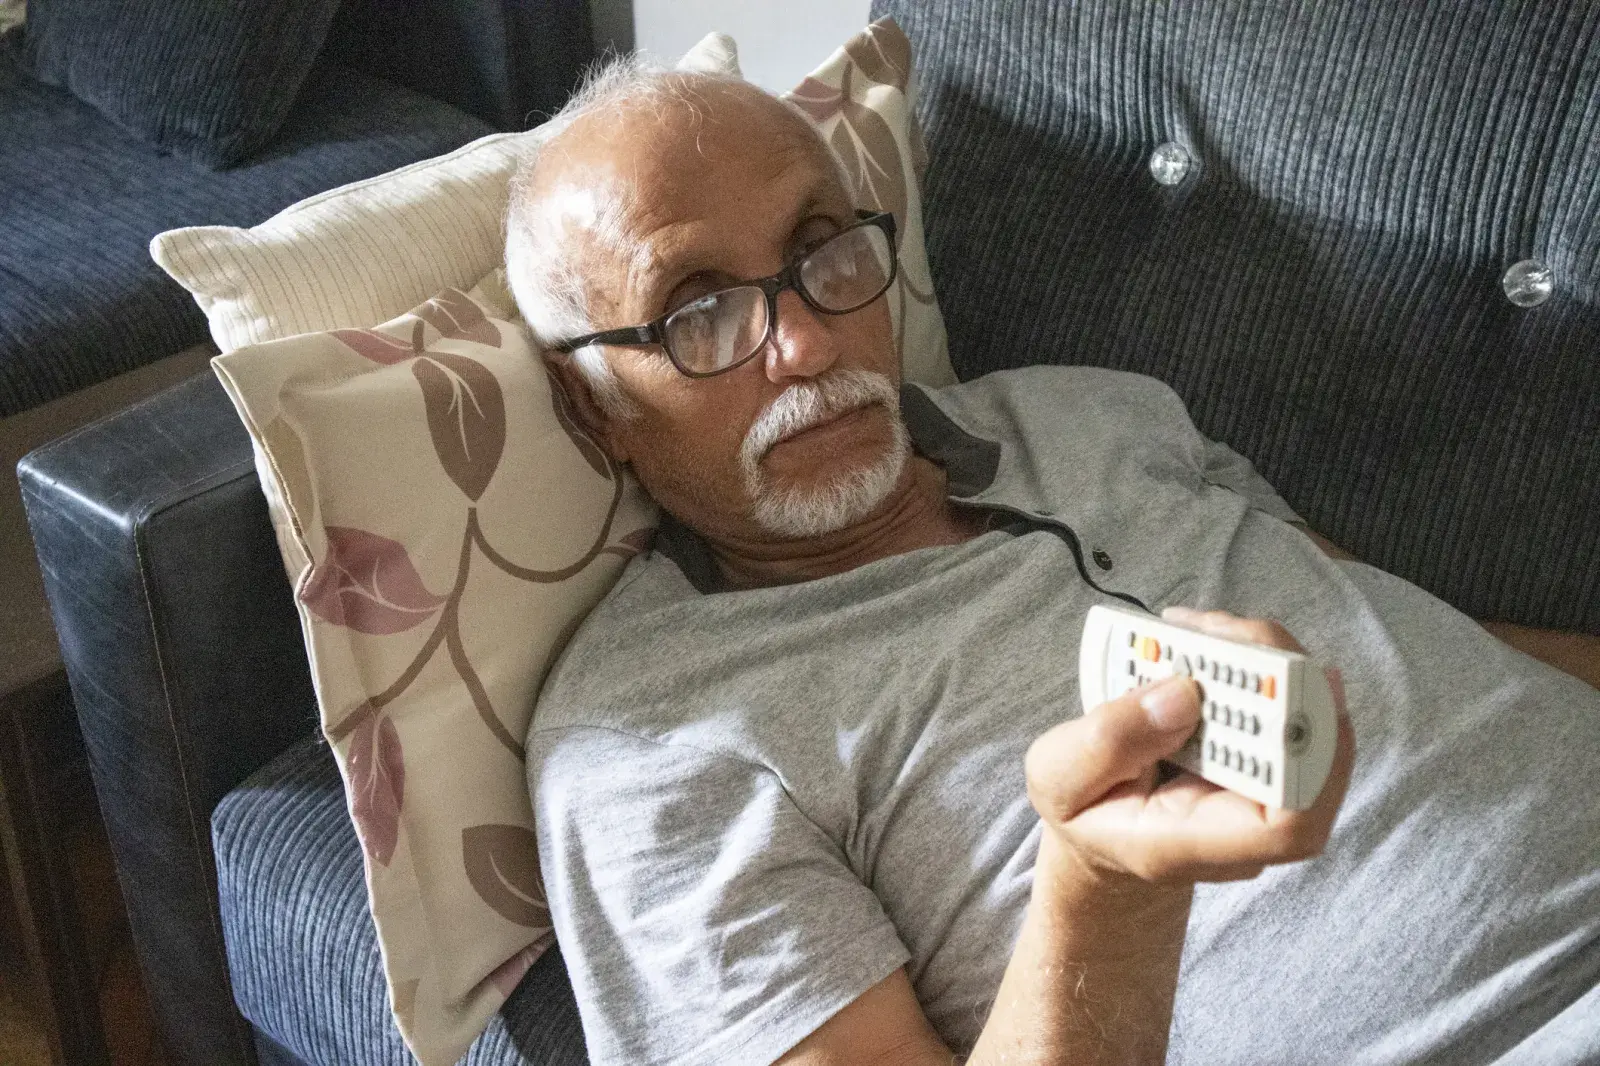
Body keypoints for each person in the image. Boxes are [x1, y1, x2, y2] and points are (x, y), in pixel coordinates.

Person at [508, 60, 1600, 1066]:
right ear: (589, 405)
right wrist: (1103, 885)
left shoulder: (1091, 407)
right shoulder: (647, 750)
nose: (806, 343)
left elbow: (1407, 622)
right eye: (697, 313)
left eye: (821, 251)